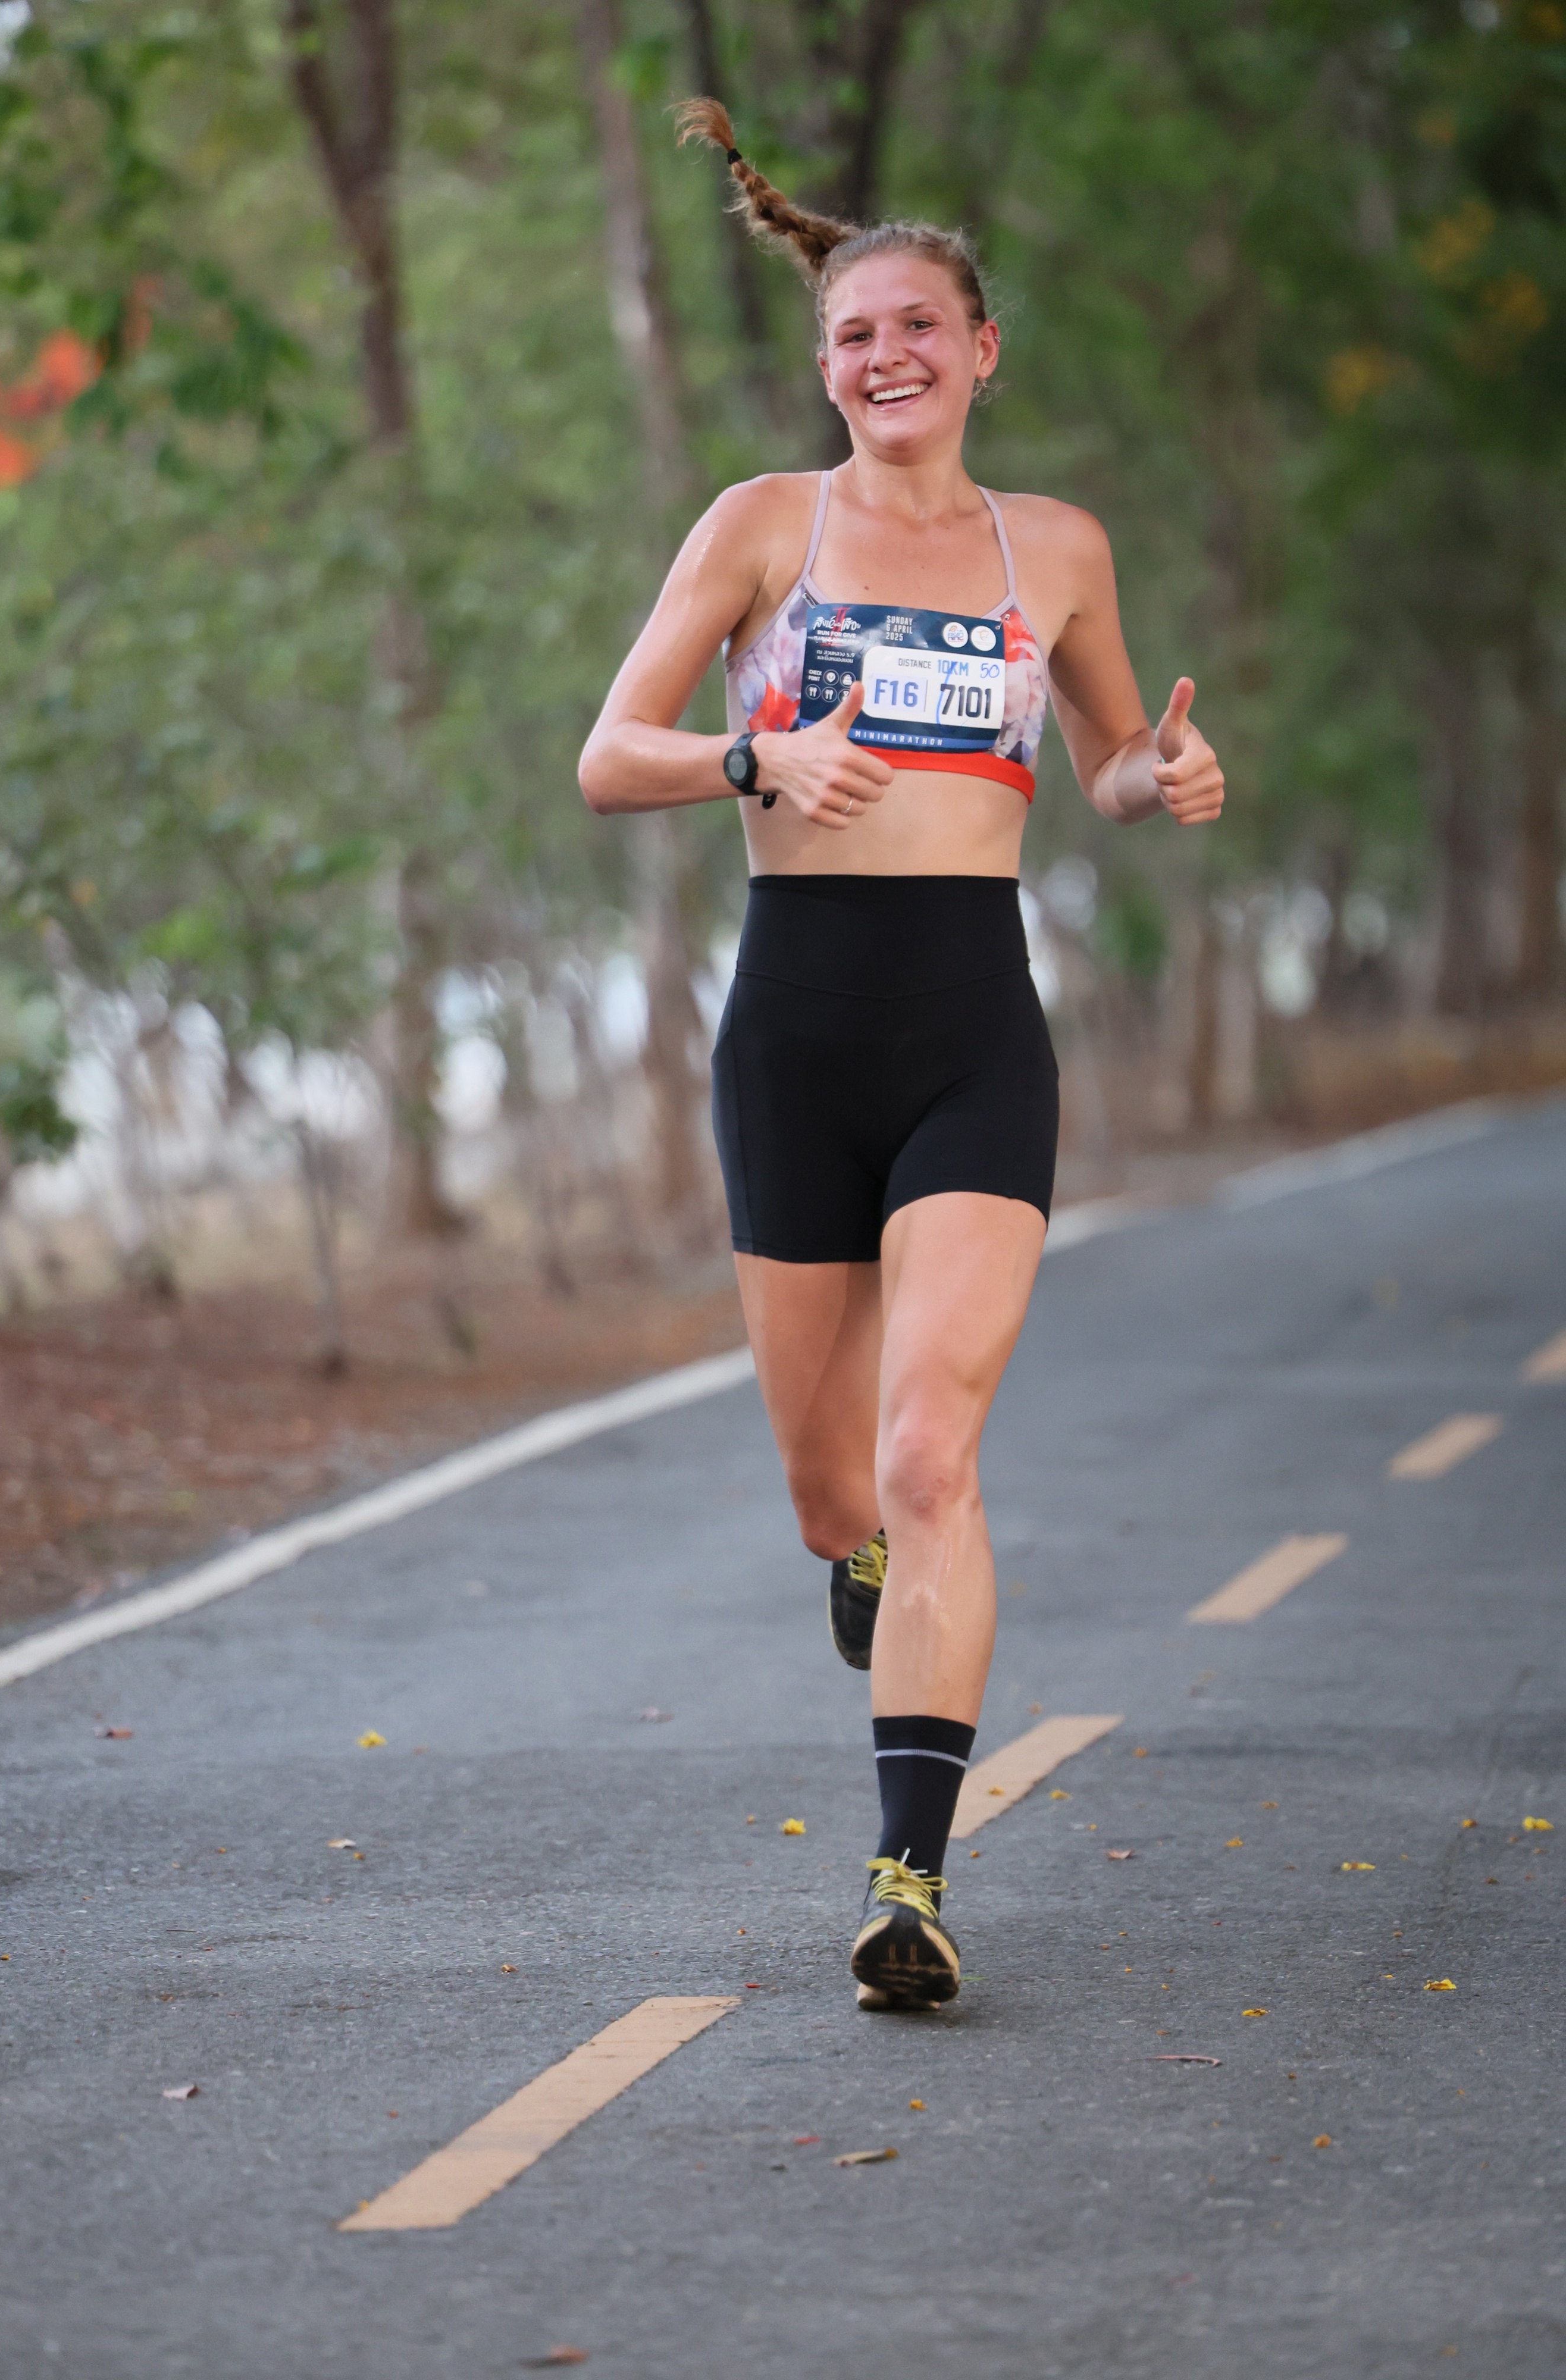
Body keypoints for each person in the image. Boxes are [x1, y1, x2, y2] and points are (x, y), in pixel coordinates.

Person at [579, 101, 1224, 2012]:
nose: (887, 358)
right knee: (829, 1492)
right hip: (794, 1024)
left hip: (968, 1025)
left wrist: (1156, 773)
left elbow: (1105, 763)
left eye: (919, 328)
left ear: (979, 352)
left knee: (931, 1452)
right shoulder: (759, 527)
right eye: (855, 333)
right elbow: (611, 755)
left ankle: (908, 1886)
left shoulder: (1059, 548)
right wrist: (748, 758)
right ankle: (862, 1577)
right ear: (825, 359)